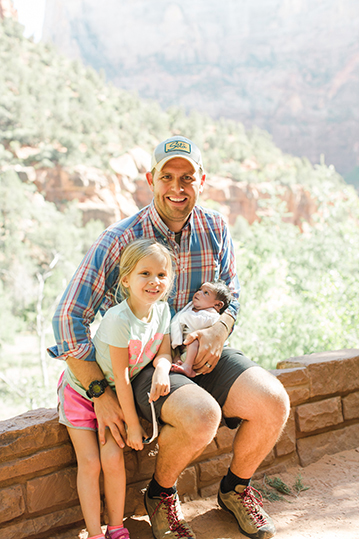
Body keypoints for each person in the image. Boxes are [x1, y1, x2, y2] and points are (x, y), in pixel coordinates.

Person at [50, 135, 290, 539]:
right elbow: (67, 318)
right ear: (151, 179)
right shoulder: (119, 240)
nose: (177, 188)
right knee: (202, 416)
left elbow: (232, 294)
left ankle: (235, 489)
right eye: (167, 177)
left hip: (201, 350)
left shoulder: (215, 228)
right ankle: (161, 495)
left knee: (273, 401)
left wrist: (219, 329)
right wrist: (98, 390)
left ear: (202, 180)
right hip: (144, 363)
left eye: (187, 177)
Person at [57, 238, 175, 539]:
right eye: (144, 274)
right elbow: (121, 377)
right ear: (126, 279)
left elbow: (164, 351)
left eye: (162, 275)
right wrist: (133, 427)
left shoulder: (162, 312)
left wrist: (162, 367)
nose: (154, 282)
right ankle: (95, 533)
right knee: (92, 463)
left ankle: (116, 527)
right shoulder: (118, 319)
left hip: (114, 395)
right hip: (83, 393)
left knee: (113, 459)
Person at [170, 281, 233, 378]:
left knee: (195, 338)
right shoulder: (197, 310)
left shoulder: (212, 315)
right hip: (187, 353)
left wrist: (182, 317)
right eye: (200, 290)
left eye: (206, 293)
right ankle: (185, 364)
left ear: (218, 305)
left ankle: (187, 366)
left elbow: (196, 323)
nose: (198, 293)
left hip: (201, 355)